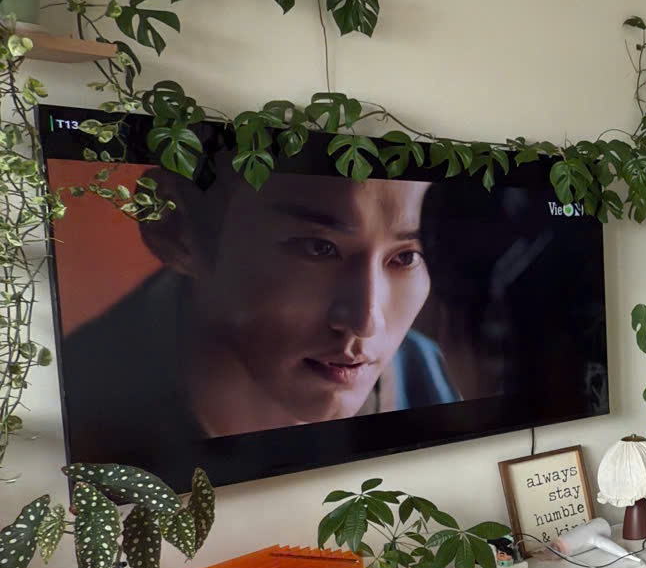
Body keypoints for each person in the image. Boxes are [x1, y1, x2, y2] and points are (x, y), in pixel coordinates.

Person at [58, 154, 457, 473]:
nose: (366, 322)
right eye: (318, 247)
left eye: (407, 256)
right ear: (176, 227)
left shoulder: (435, 378)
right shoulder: (77, 421)